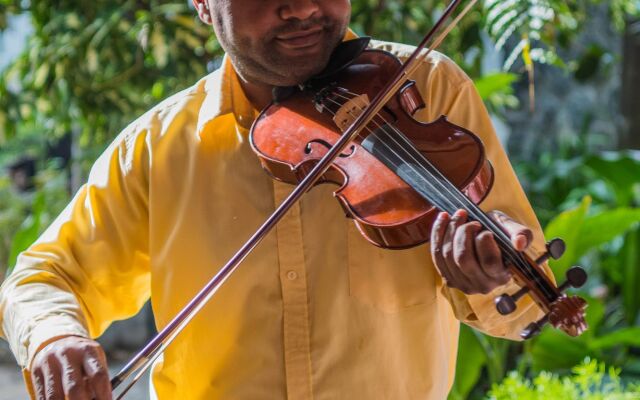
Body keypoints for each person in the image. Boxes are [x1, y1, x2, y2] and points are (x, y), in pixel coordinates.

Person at [0, 1, 553, 399]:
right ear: (201, 4)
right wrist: (54, 336)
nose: (301, 8)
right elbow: (42, 280)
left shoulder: (422, 89)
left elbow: (526, 301)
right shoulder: (157, 148)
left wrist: (494, 269)